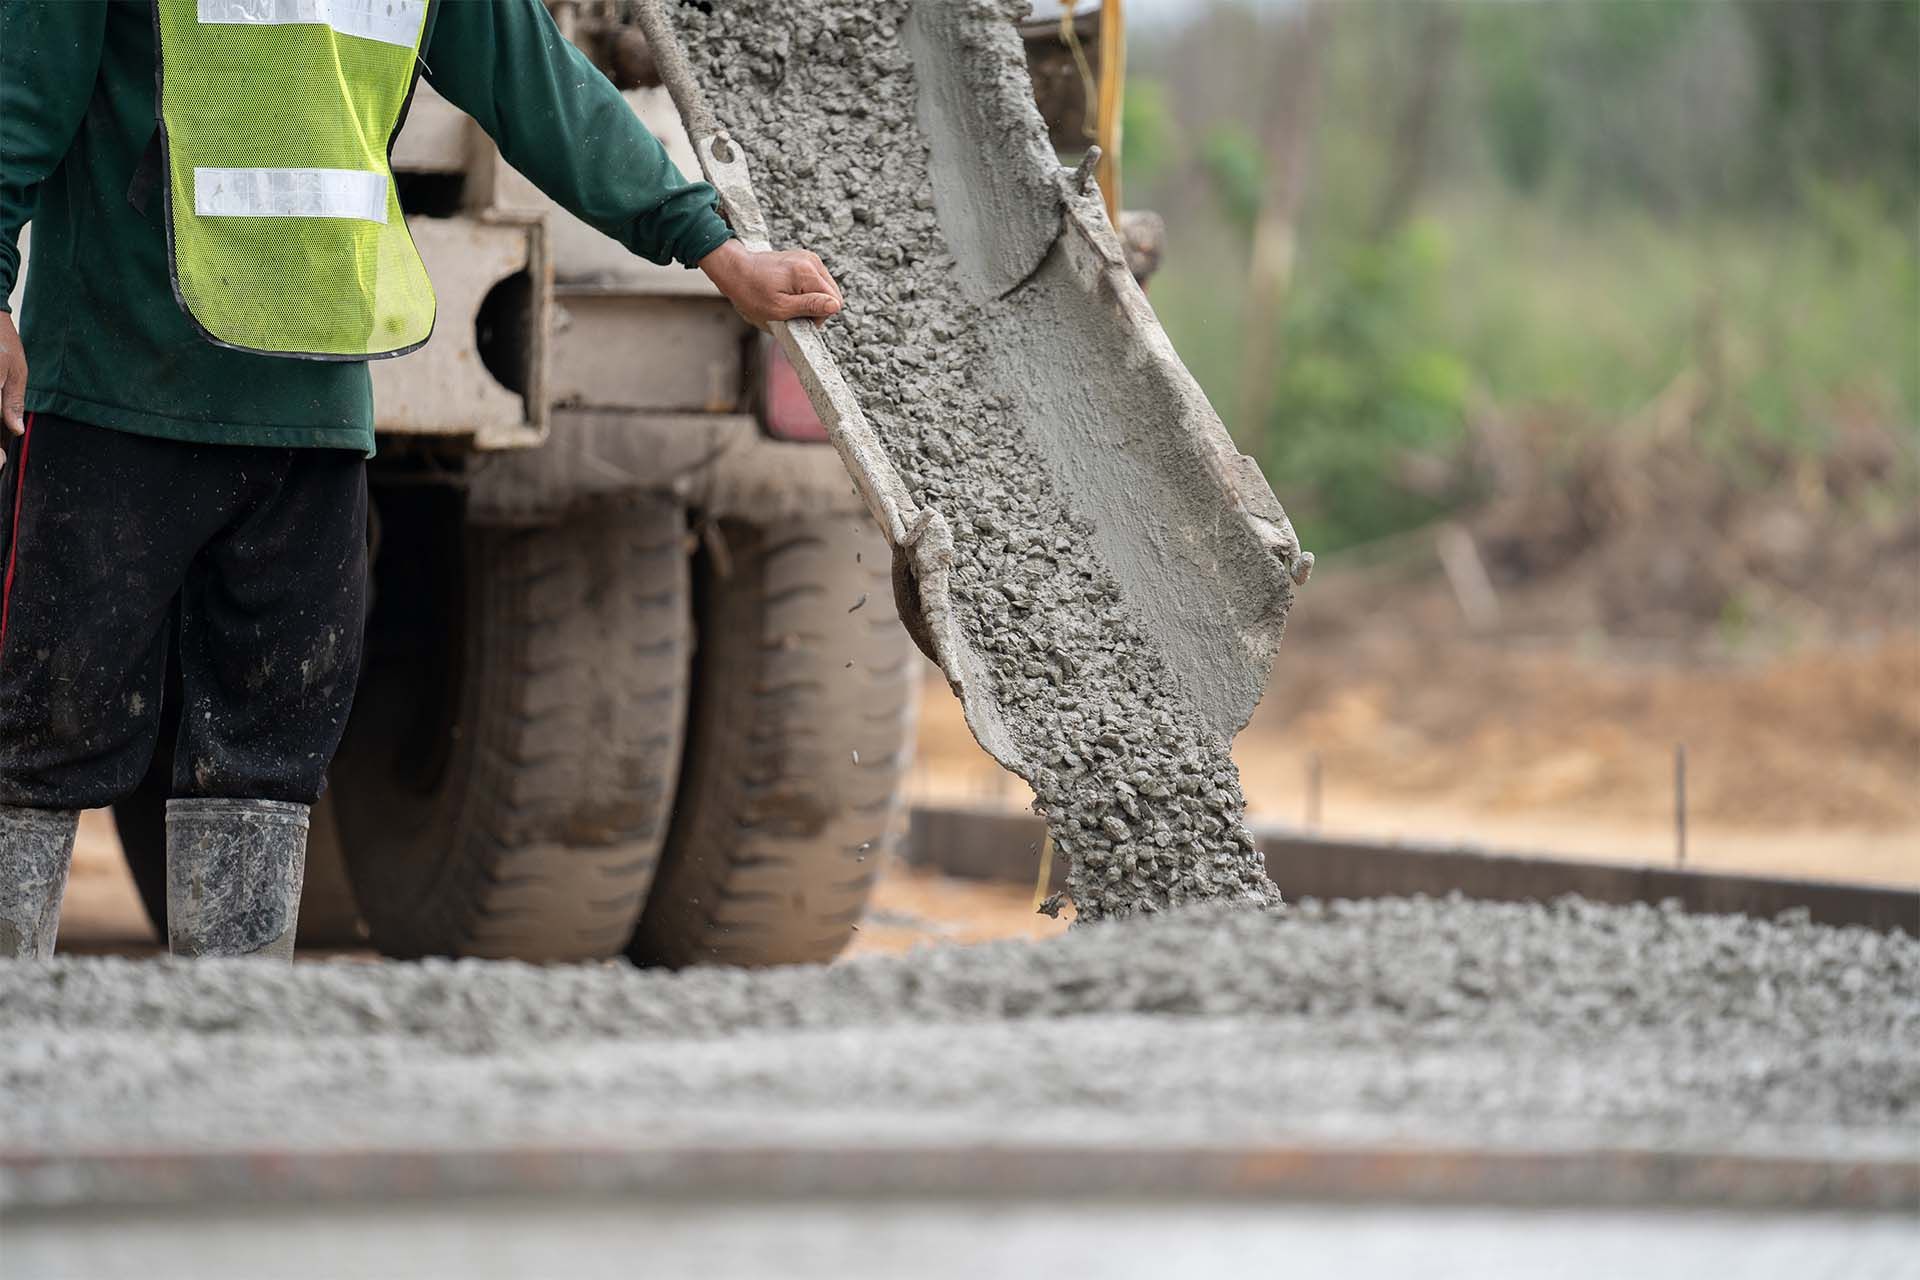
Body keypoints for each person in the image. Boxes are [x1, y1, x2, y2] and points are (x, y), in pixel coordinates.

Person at [0, 0, 842, 961]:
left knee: (266, 766)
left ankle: (233, 1052)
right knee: (37, 737)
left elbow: (541, 91)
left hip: (314, 415)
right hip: (112, 398)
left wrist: (716, 249)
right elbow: (18, 94)